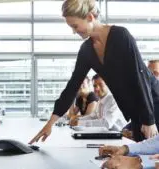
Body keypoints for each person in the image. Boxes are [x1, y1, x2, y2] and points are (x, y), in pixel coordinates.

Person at [29, 0, 159, 143]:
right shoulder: (87, 50)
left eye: (75, 26)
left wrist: (149, 120)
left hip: (152, 103)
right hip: (135, 110)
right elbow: (72, 87)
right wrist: (50, 124)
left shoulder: (121, 36)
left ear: (90, 17)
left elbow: (139, 77)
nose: (74, 31)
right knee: (141, 157)